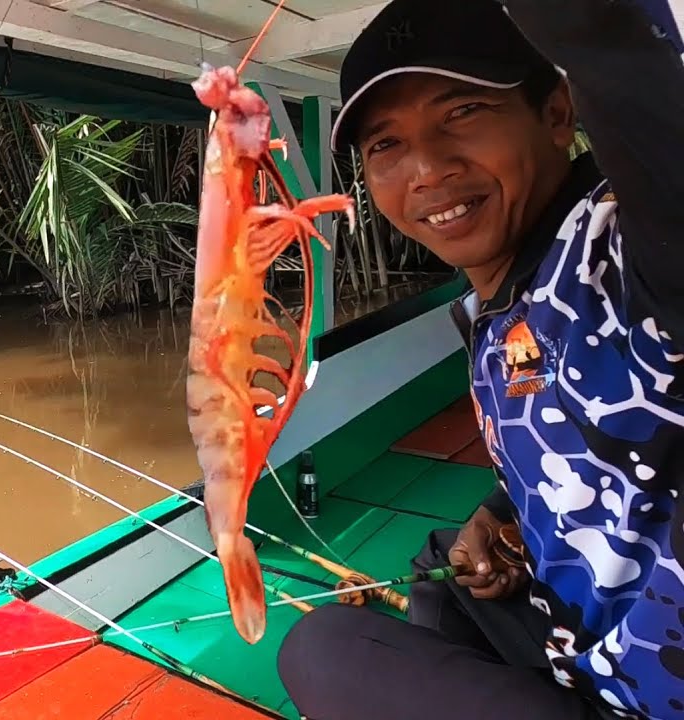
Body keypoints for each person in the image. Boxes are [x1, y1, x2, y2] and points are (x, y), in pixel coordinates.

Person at [274, 1, 684, 719]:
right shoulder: (491, 309)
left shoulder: (631, 243)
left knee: (320, 649)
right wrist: (503, 510)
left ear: (559, 112)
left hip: (651, 695)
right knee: (446, 564)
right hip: (580, 641)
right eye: (385, 145)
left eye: (462, 111)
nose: (427, 169)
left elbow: (626, 59)